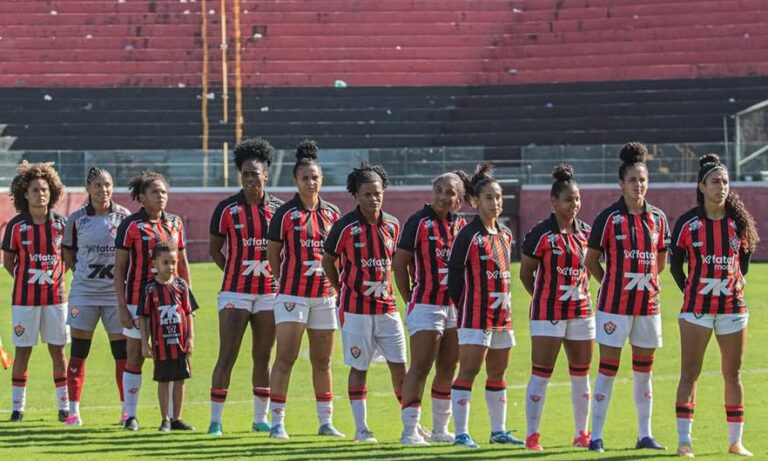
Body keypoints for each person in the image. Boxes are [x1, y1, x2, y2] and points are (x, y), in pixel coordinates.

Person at [670, 154, 759, 458]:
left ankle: (735, 442)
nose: (721, 186)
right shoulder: (688, 224)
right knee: (689, 374)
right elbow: (675, 267)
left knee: (733, 375)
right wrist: (692, 292)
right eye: (715, 182)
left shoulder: (739, 225)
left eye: (724, 181)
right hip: (696, 310)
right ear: (702, 186)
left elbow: (742, 266)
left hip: (733, 310)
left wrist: (726, 288)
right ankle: (685, 441)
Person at [585, 142, 670, 452]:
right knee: (608, 369)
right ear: (621, 183)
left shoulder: (658, 218)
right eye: (633, 180)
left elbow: (660, 262)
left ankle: (644, 435)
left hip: (648, 307)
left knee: (644, 372)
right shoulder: (608, 218)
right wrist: (610, 283)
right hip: (613, 307)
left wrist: (644, 283)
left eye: (643, 179)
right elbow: (591, 260)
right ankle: (596, 436)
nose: (639, 185)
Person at [322, 162, 406, 443]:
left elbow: (395, 263)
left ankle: (412, 425)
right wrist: (340, 288)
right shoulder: (344, 227)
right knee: (359, 368)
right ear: (356, 196)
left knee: (400, 366)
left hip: (388, 308)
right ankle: (361, 429)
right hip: (356, 311)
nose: (374, 198)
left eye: (378, 193)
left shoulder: (393, 225)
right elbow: (328, 261)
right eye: (368, 194)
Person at [265, 140, 343, 439]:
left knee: (323, 361)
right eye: (304, 178)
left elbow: (339, 255)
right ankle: (277, 423)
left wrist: (335, 287)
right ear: (295, 181)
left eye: (315, 177)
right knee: (286, 357)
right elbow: (273, 254)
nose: (310, 182)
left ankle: (326, 422)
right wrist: (282, 282)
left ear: (321, 180)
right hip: (292, 296)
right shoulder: (285, 214)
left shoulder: (333, 214)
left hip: (325, 296)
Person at [207, 137, 283, 436]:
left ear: (267, 174)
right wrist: (233, 274)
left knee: (263, 357)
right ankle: (215, 421)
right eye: (246, 173)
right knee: (227, 356)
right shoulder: (226, 209)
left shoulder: (279, 209)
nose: (251, 178)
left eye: (256, 173)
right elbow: (215, 250)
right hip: (235, 293)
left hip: (268, 293)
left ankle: (259, 418)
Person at [447, 163, 523, 449]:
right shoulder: (467, 236)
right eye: (489, 198)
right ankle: (461, 433)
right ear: (475, 202)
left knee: (498, 373)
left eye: (499, 197)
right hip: (475, 317)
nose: (495, 203)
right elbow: (454, 277)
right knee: (468, 371)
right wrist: (465, 306)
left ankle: (498, 430)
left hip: (503, 316)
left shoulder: (504, 235)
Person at [519, 165, 594, 451]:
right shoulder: (540, 234)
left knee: (581, 373)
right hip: (547, 314)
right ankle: (532, 435)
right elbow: (526, 274)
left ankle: (581, 434)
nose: (573, 204)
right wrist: (541, 298)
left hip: (581, 313)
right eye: (568, 199)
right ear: (554, 202)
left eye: (576, 199)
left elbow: (588, 269)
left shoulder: (586, 233)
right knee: (541, 372)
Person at [394, 170, 472, 445]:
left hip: (454, 307)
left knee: (449, 366)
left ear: (459, 199)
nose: (442, 196)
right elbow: (399, 264)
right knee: (420, 366)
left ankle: (440, 428)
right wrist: (410, 299)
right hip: (426, 304)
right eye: (439, 189)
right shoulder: (418, 222)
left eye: (450, 192)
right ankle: (409, 431)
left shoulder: (462, 226)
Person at [115, 170, 190, 431]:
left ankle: (172, 418)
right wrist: (123, 306)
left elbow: (183, 264)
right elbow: (120, 268)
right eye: (154, 192)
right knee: (135, 357)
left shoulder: (176, 223)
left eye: (164, 192)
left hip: (170, 305)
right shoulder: (131, 225)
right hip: (138, 302)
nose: (161, 196)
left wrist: (186, 301)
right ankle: (131, 416)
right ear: (142, 197)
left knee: (171, 358)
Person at [62, 167, 131, 426]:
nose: (104, 190)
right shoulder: (77, 219)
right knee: (79, 352)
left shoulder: (123, 216)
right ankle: (74, 411)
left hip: (115, 296)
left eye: (108, 185)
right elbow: (68, 254)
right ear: (88, 188)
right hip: (84, 295)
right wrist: (82, 274)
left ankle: (126, 410)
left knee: (121, 353)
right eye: (98, 185)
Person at [2, 161, 70, 422]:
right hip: (24, 301)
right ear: (25, 194)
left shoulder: (62, 226)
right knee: (23, 351)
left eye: (44, 189)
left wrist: (52, 279)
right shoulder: (17, 227)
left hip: (55, 300)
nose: (40, 194)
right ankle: (18, 409)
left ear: (52, 192)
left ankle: (64, 407)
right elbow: (9, 262)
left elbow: (67, 260)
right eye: (34, 190)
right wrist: (26, 280)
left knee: (58, 351)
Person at [139, 241, 196, 432]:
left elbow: (188, 312)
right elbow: (144, 317)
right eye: (165, 263)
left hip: (180, 342)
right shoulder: (150, 289)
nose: (170, 267)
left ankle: (177, 418)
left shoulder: (182, 285)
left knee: (180, 379)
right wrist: (144, 343)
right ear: (154, 263)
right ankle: (164, 419)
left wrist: (190, 337)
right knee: (163, 380)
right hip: (160, 343)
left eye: (173, 262)